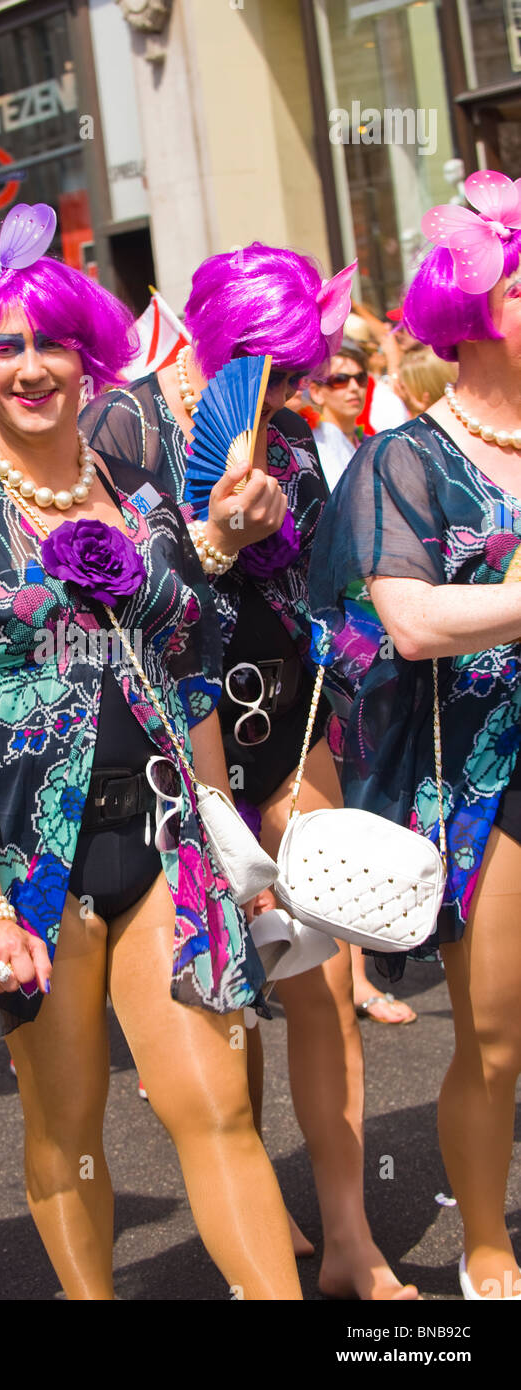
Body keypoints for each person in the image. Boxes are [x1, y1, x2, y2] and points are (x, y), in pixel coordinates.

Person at [0, 205, 302, 1301]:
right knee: (64, 1125)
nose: (31, 366)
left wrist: (227, 822)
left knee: (219, 1105)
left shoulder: (134, 488)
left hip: (162, 834)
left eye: (50, 342)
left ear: (87, 352)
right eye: (4, 345)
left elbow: (186, 663)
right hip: (32, 865)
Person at [82, 243, 417, 1299]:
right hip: (177, 754)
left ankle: (352, 1236)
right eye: (273, 368)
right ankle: (256, 1207)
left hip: (286, 728)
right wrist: (216, 539)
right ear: (223, 345)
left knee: (320, 980)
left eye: (301, 369)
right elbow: (127, 607)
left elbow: (313, 591)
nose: (289, 392)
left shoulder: (286, 436)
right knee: (227, 991)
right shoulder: (123, 428)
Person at [309, 169, 521, 1300]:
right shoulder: (406, 458)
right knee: (494, 1038)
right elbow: (408, 620)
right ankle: (483, 1237)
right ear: (477, 310)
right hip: (488, 772)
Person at [308, 342, 369, 491]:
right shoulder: (312, 445)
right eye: (340, 380)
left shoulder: (369, 440)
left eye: (360, 378)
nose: (355, 388)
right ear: (316, 392)